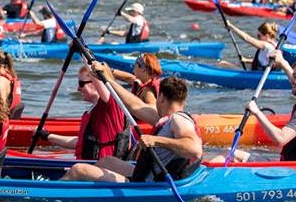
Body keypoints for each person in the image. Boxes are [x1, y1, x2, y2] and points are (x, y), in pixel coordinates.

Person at [68, 64, 203, 184]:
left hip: (150, 184)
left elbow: (194, 149)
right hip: (147, 174)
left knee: (78, 169)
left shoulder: (179, 120)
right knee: (106, 161)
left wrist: (156, 140)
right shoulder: (164, 118)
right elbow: (135, 105)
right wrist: (107, 79)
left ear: (161, 97)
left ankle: (49, 193)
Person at [36, 66, 132, 170]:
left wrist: (82, 51)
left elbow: (95, 71)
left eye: (81, 83)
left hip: (102, 171)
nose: (78, 88)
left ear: (95, 83)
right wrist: (47, 136)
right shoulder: (91, 111)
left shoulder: (111, 104)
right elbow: (80, 143)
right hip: (85, 166)